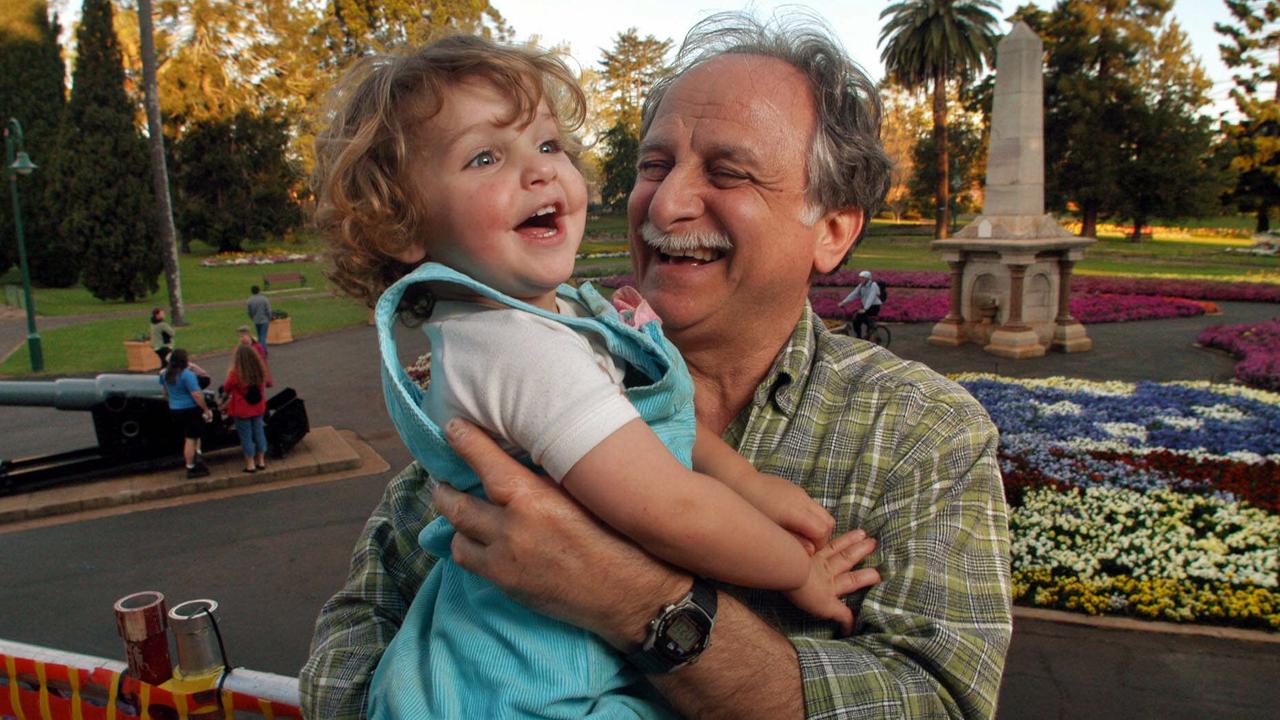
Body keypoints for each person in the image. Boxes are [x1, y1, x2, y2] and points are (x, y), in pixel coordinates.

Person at [302, 12, 1012, 720]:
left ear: (831, 229)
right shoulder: (514, 364)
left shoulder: (922, 433)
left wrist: (637, 597)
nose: (666, 204)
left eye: (728, 173)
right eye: (654, 166)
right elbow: (356, 627)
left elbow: (935, 703)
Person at [159, 348, 211, 479]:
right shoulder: (187, 375)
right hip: (189, 409)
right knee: (191, 438)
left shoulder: (165, 374)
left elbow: (165, 392)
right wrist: (205, 409)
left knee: (192, 435)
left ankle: (196, 458)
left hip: (175, 409)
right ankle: (191, 466)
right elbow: (196, 394)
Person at [219, 344, 269, 473]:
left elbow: (226, 388)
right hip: (258, 406)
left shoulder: (235, 374)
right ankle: (261, 461)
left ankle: (250, 464)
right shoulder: (259, 371)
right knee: (259, 432)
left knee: (246, 436)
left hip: (241, 409)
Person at [837, 270, 883, 339]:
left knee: (861, 318)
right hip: (866, 306)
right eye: (860, 278)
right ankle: (859, 337)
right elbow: (854, 294)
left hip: (874, 306)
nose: (861, 279)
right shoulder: (861, 286)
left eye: (863, 278)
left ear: (868, 279)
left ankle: (870, 329)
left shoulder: (873, 285)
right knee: (856, 321)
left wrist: (865, 309)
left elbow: (871, 297)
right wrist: (844, 302)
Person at [246, 285, 272, 351]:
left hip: (256, 320)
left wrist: (252, 318)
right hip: (264, 320)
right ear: (259, 291)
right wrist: (270, 317)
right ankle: (263, 350)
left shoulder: (249, 300)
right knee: (263, 336)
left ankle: (259, 349)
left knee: (259, 335)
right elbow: (268, 310)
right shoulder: (264, 299)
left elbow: (249, 312)